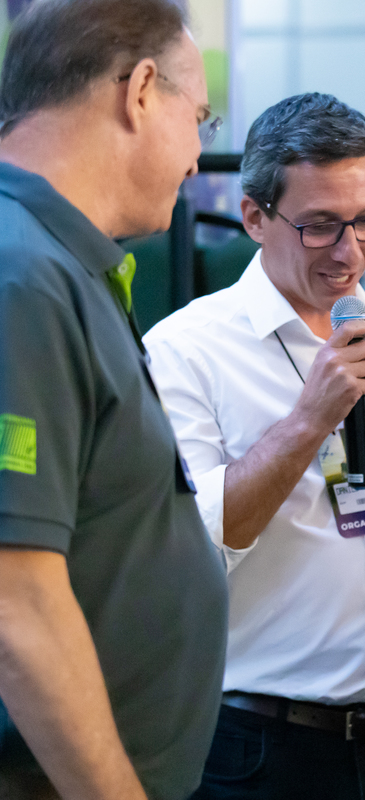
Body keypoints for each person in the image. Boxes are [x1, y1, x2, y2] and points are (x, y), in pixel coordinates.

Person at [143, 93, 365, 800]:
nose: (351, 250)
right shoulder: (184, 350)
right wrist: (310, 419)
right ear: (253, 217)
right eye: (321, 227)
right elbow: (195, 543)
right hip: (259, 747)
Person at [0, 1, 229, 798]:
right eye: (199, 117)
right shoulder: (20, 278)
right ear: (138, 91)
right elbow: (15, 602)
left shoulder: (57, 264)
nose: (200, 156)